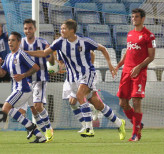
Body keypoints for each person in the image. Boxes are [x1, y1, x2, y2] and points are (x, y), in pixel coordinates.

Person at [27, 19, 125, 139]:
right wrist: (26, 52)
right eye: (61, 29)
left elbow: (103, 49)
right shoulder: (59, 42)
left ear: (71, 30)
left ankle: (89, 128)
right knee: (97, 104)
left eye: (64, 29)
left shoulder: (84, 41)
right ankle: (119, 123)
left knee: (80, 95)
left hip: (87, 73)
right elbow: (43, 53)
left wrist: (110, 64)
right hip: (73, 77)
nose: (61, 31)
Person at [0, 31, 46, 143]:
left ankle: (31, 126)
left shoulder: (21, 54)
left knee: (6, 108)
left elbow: (36, 67)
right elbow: (1, 74)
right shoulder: (8, 56)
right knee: (17, 111)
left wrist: (23, 75)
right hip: (17, 89)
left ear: (19, 42)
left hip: (22, 89)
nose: (10, 42)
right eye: (9, 40)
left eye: (13, 40)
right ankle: (40, 136)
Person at [115, 8, 155, 142]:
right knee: (122, 103)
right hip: (126, 71)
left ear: (143, 18)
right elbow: (128, 51)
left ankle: (135, 134)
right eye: (132, 17)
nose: (134, 19)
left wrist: (138, 67)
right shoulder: (130, 34)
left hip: (139, 72)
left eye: (136, 17)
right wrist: (119, 64)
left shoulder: (149, 36)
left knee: (136, 101)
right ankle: (138, 124)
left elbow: (151, 56)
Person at [19, 19, 54, 142]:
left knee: (38, 106)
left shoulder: (43, 42)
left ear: (35, 29)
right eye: (25, 29)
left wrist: (51, 56)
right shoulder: (21, 43)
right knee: (33, 109)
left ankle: (49, 128)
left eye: (30, 28)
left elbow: (50, 59)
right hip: (26, 80)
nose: (27, 31)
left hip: (40, 78)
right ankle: (43, 132)